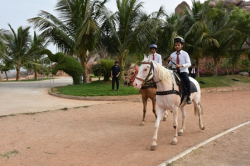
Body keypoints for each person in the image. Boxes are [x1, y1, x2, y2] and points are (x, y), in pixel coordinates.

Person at [167, 37, 192, 104]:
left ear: (182, 45)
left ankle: (188, 96)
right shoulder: (172, 54)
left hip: (183, 71)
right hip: (175, 71)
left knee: (186, 80)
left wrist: (181, 65)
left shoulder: (185, 54)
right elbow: (169, 65)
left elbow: (189, 63)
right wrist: (169, 60)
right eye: (175, 45)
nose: (177, 46)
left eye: (178, 45)